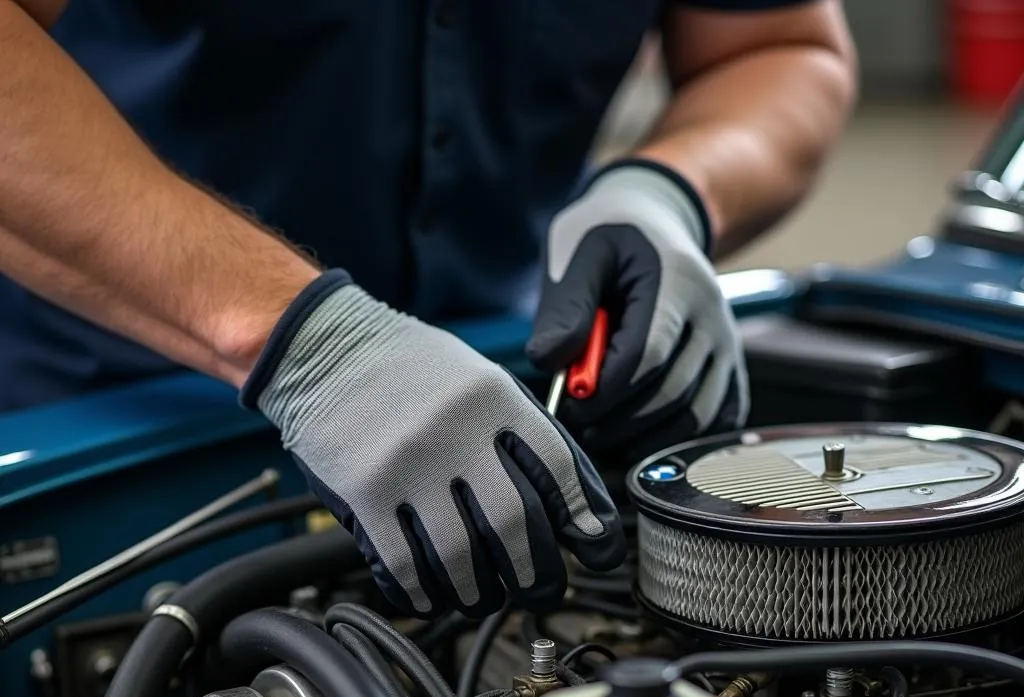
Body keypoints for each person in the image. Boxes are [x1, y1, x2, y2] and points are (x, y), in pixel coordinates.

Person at [0, 1, 856, 616]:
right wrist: (309, 345)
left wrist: (670, 189)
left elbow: (779, 45)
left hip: (508, 392)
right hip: (118, 428)